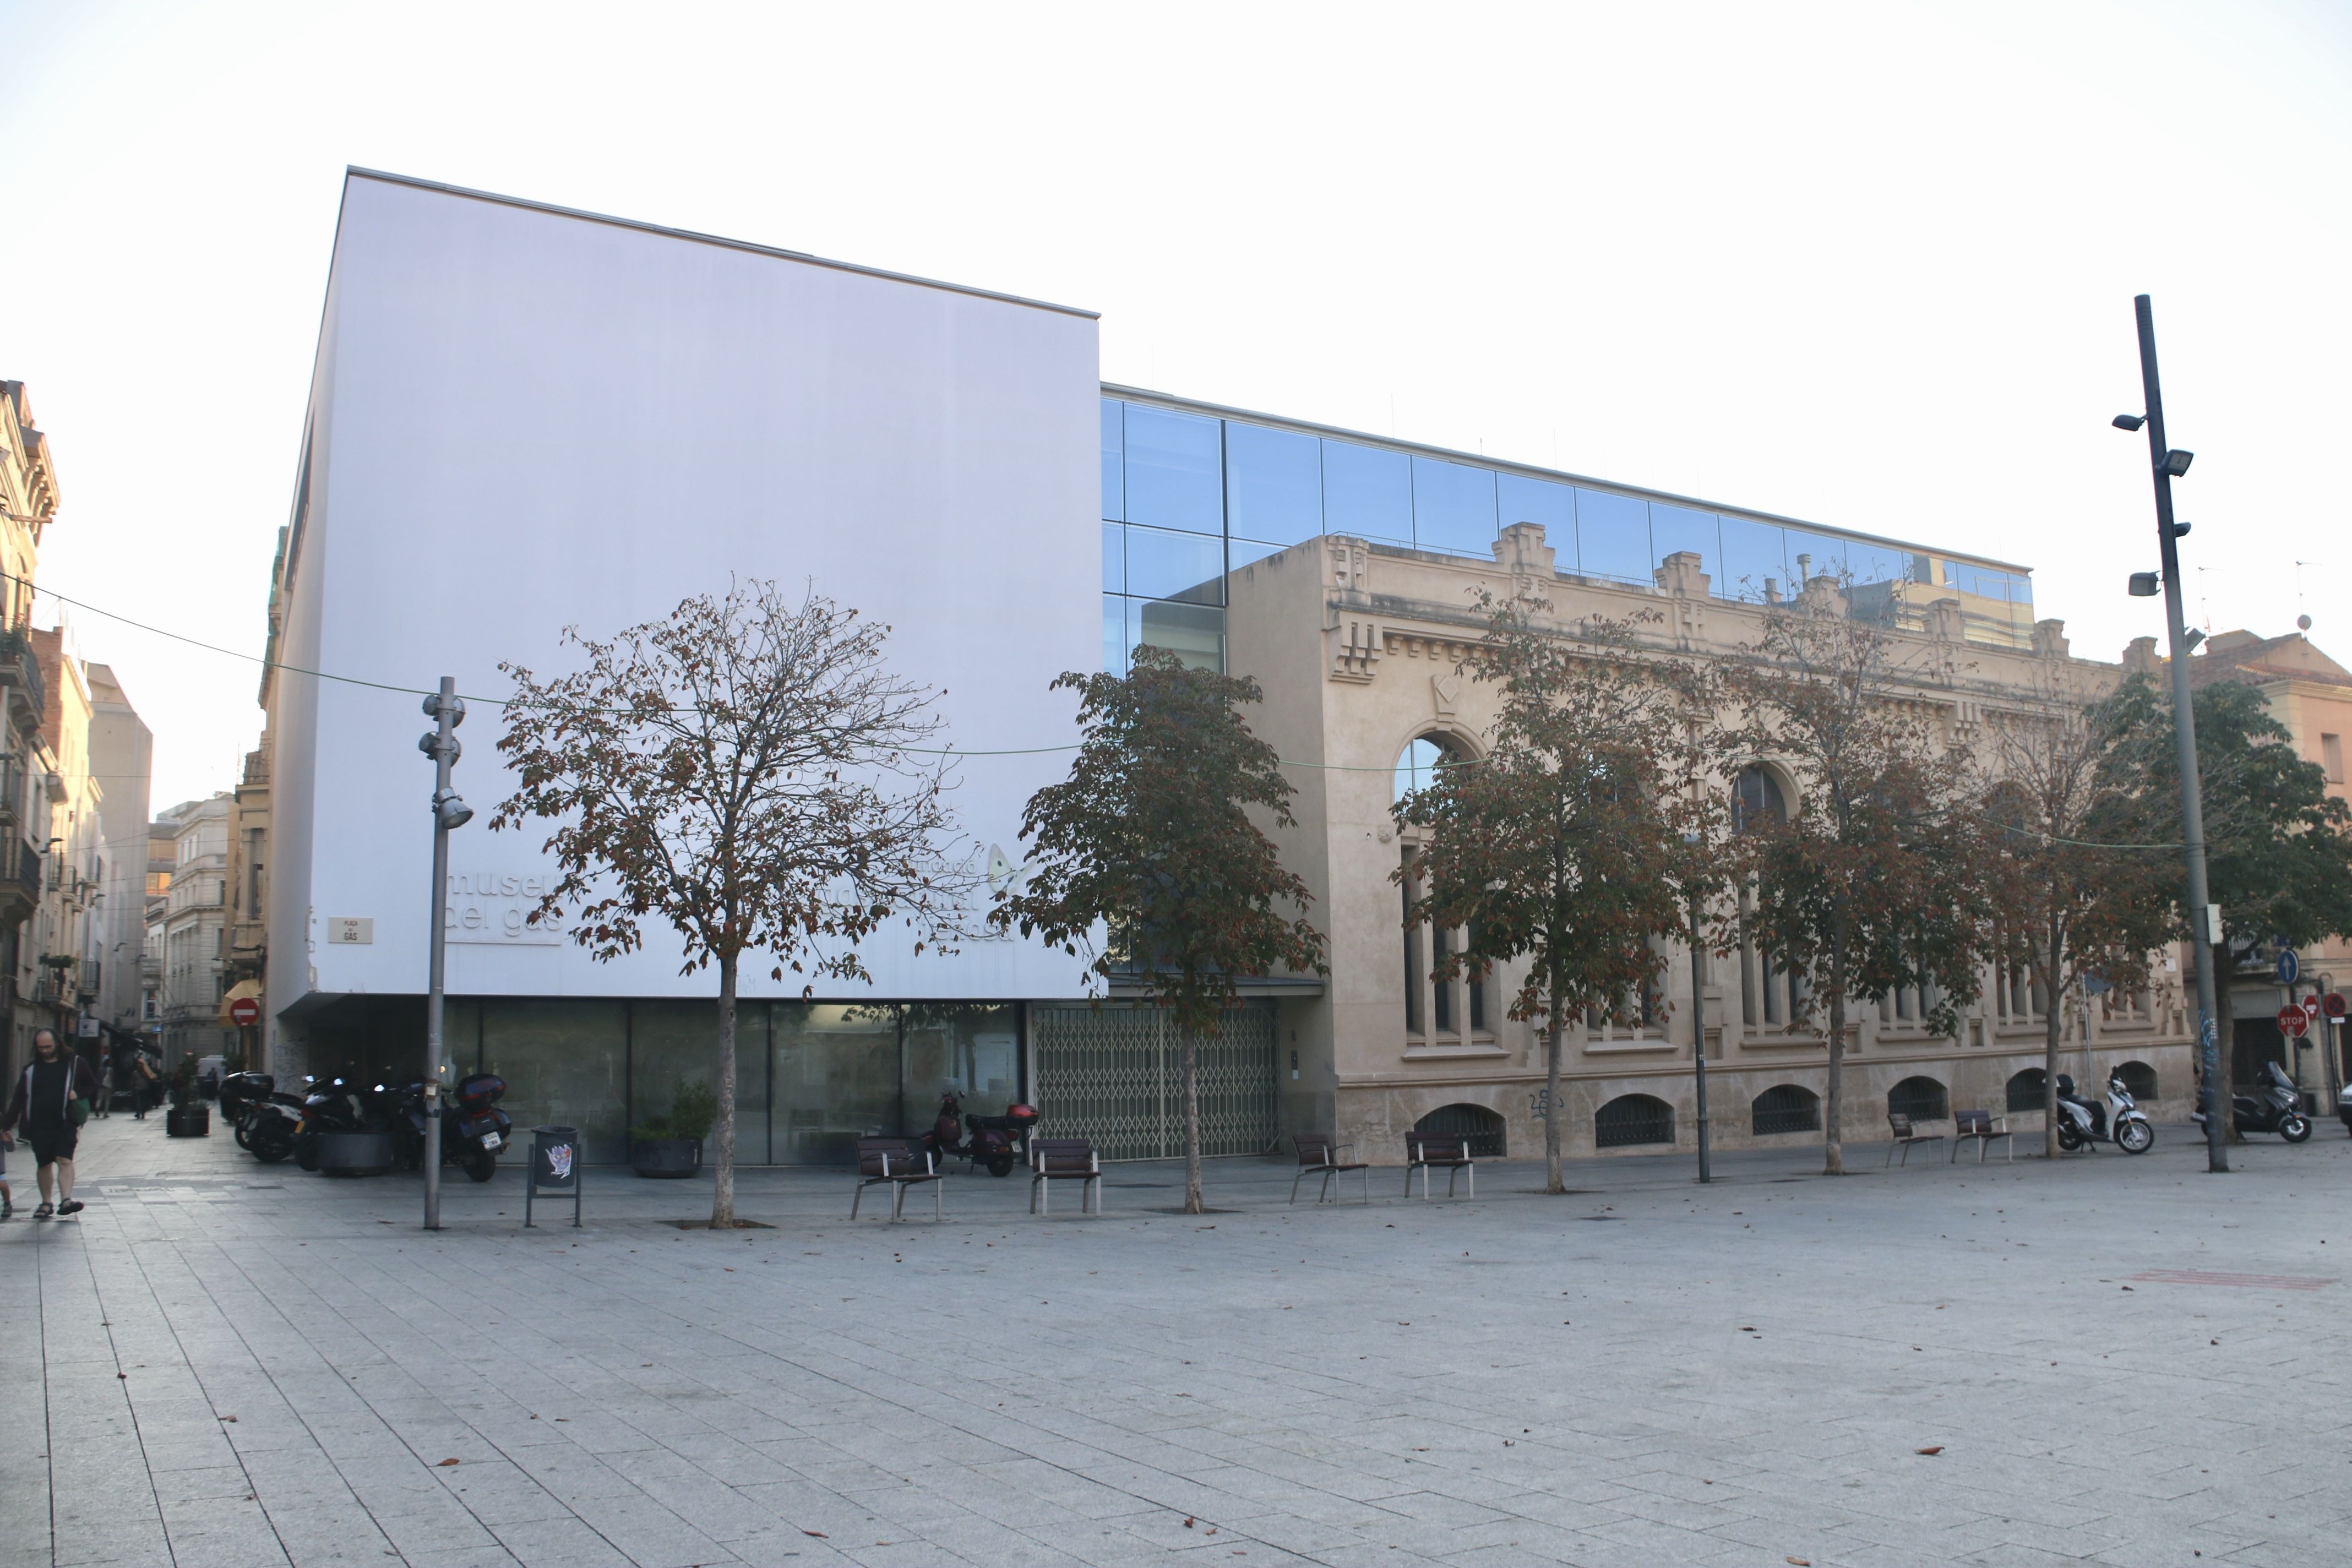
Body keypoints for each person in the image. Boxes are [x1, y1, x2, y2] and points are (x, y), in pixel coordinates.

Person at [4, 1029, 99, 1219]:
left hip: (66, 1123)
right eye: (41, 1048)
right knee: (44, 1163)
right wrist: (6, 1126)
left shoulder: (75, 1063)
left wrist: (78, 1094)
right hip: (38, 1125)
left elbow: (92, 1085)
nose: (45, 1051)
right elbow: (19, 1099)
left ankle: (66, 1200)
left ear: (57, 1043)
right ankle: (46, 1203)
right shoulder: (31, 1070)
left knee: (65, 1160)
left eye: (48, 1047)